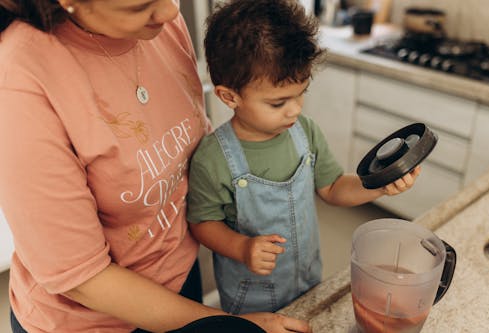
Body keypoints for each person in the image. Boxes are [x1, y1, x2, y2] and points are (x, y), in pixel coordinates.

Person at [0, 1, 312, 332]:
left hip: (180, 285)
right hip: (94, 320)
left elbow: (193, 147)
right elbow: (81, 276)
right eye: (140, 6)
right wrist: (229, 325)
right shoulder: (19, 82)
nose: (169, 12)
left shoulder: (160, 28)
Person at [187, 0, 421, 315]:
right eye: (278, 102)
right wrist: (241, 247)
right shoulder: (212, 159)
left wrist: (377, 186)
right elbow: (202, 223)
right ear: (230, 96)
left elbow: (334, 187)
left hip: (308, 278)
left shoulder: (305, 132)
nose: (295, 109)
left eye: (301, 94)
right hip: (251, 298)